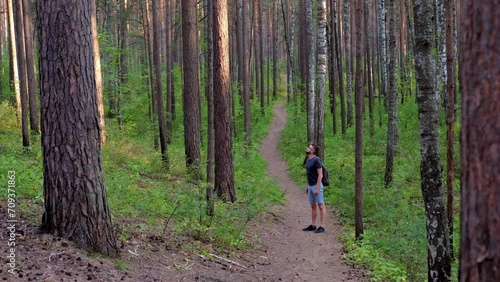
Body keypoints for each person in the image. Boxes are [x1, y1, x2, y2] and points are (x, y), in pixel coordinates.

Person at [302, 144, 326, 233]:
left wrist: (317, 188)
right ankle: (313, 225)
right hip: (310, 185)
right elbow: (309, 174)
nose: (307, 148)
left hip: (317, 185)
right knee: (313, 206)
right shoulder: (308, 159)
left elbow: (320, 175)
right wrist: (307, 186)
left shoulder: (317, 160)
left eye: (309, 147)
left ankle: (322, 226)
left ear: (313, 151)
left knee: (321, 205)